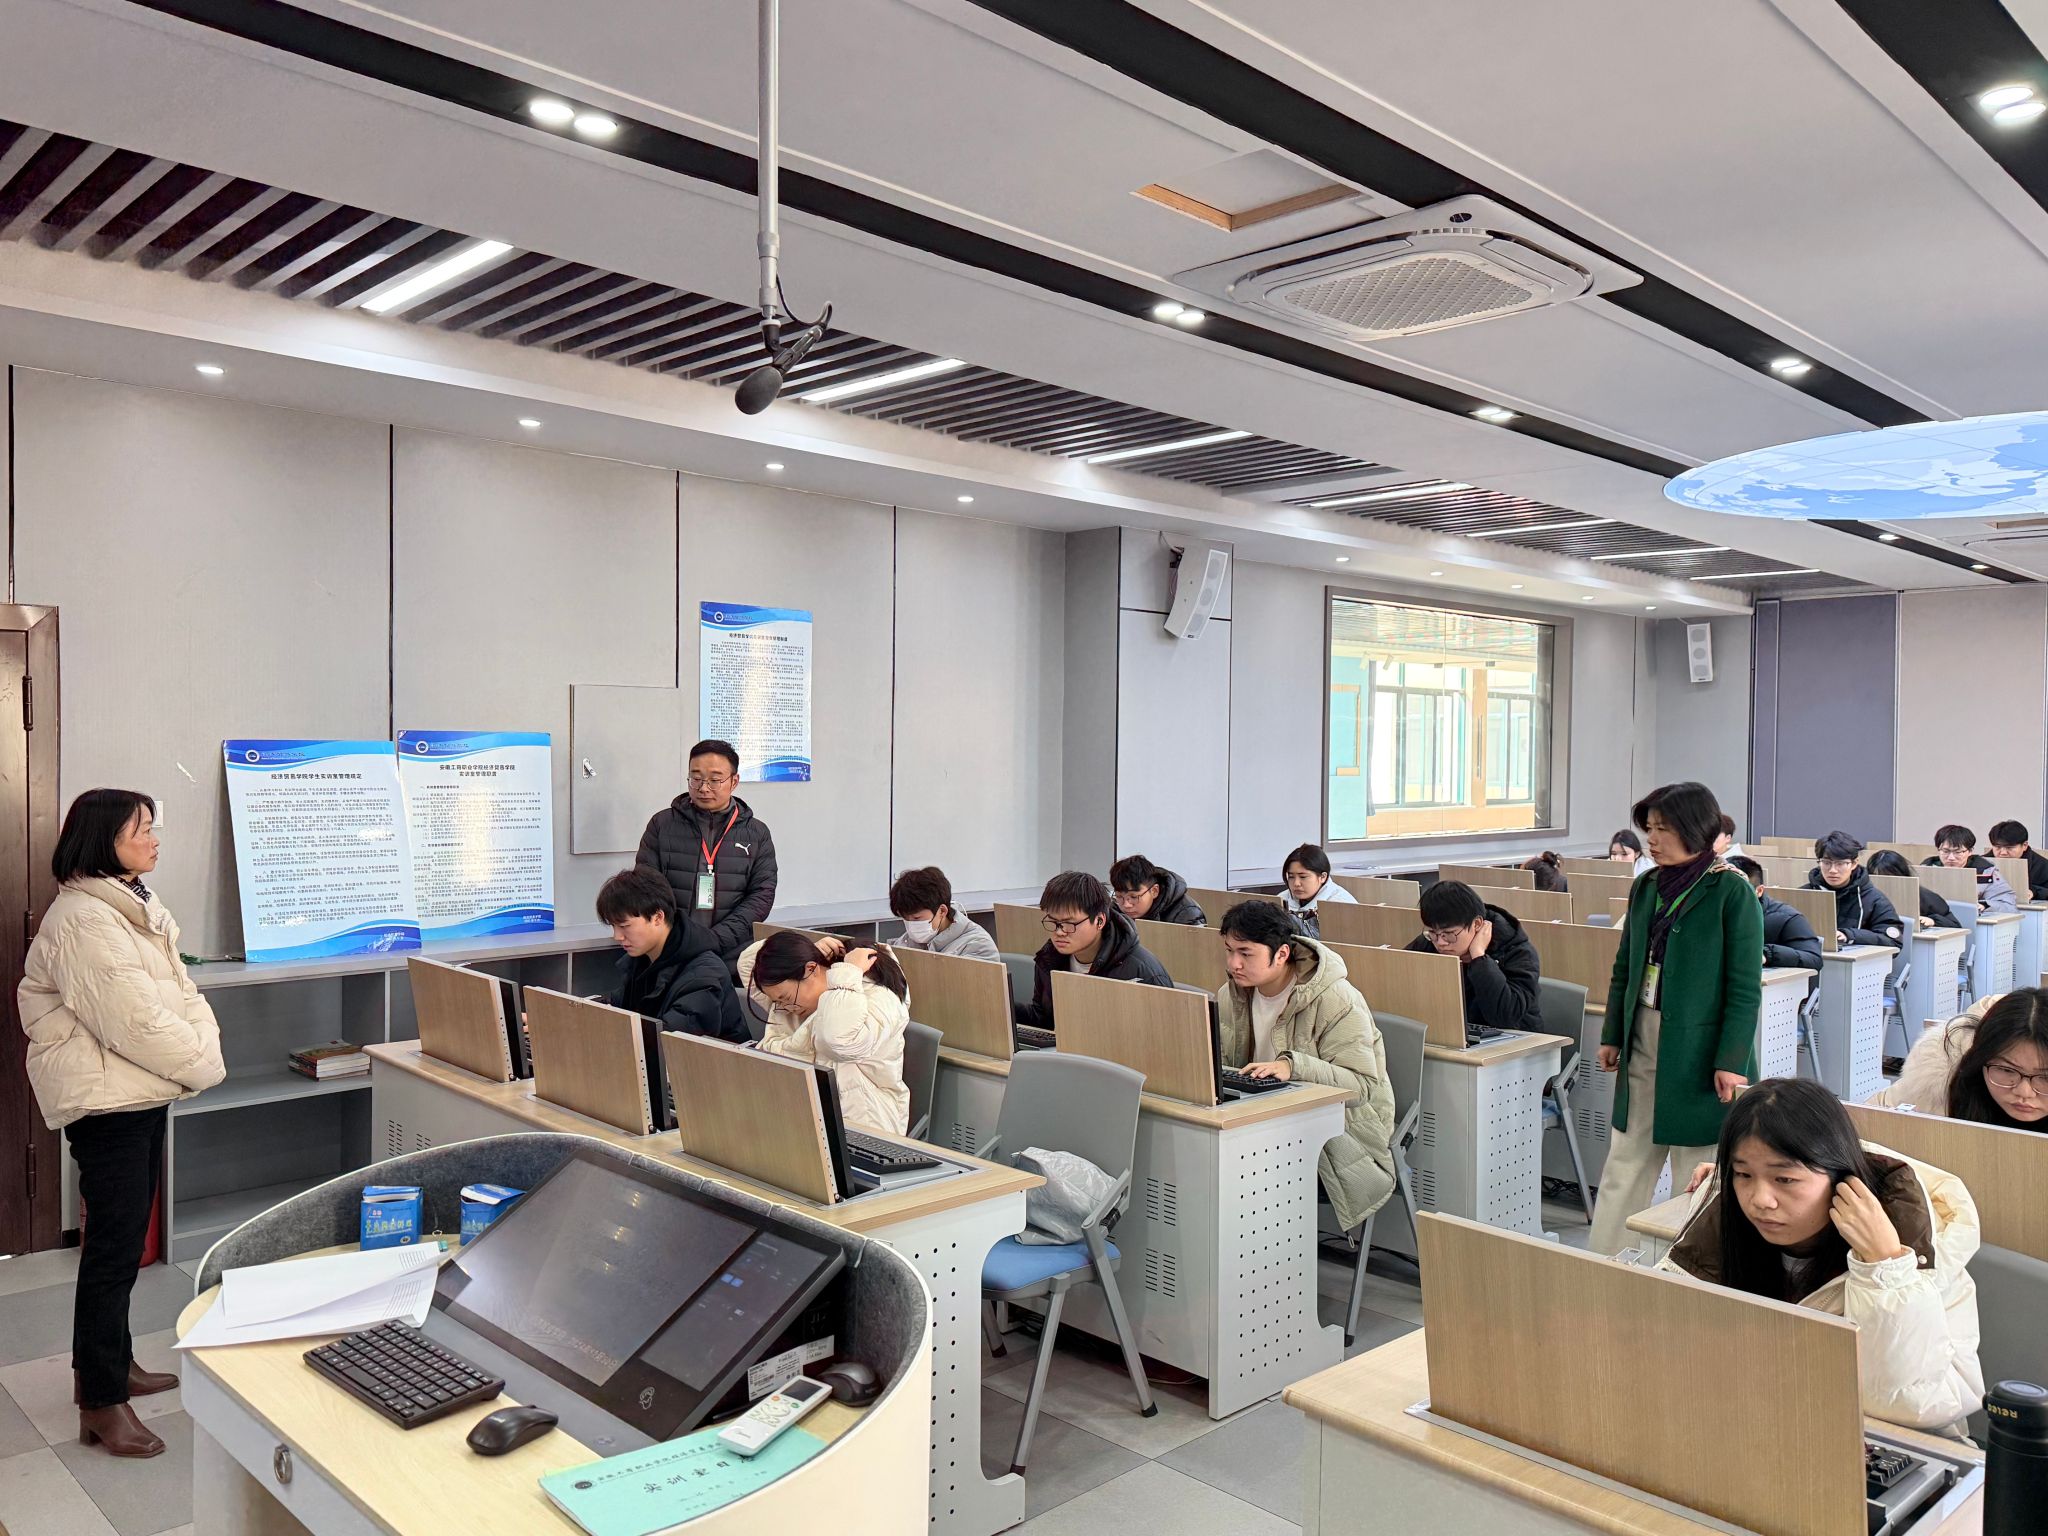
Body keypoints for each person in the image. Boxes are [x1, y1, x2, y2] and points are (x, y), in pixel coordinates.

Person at [19, 790, 225, 1458]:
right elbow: (134, 1021)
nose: (155, 839)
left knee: (125, 1241)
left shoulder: (128, 903)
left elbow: (182, 993)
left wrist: (198, 1048)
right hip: (108, 1102)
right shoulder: (85, 919)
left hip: (136, 1091)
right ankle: (101, 1403)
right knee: (112, 1250)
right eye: (142, 830)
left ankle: (111, 1364)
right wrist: (203, 1063)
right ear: (106, 839)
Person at [1661, 1078, 1982, 1436]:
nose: (1760, 1200)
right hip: (1759, 1429)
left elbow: (1921, 1406)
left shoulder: (1926, 1257)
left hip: (1885, 1445)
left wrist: (1886, 1271)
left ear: (1842, 1178)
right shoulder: (1722, 1225)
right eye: (1744, 1174)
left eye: (1785, 1179)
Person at [1588, 781, 1761, 1256]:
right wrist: (1612, 1033)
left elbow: (1745, 987)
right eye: (1650, 828)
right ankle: (1605, 1268)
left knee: (1697, 1169)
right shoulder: (1646, 886)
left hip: (1703, 1050)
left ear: (1694, 829)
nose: (1652, 839)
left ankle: (1687, 1271)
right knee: (1626, 1162)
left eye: (1662, 828)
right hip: (1643, 1035)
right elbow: (1625, 966)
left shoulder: (1732, 891)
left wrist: (1731, 1060)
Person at [1215, 901, 1397, 1235]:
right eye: (1229, 950)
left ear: (1282, 954)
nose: (1233, 963)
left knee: (1234, 1175)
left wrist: (1293, 1066)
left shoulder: (1336, 999)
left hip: (1340, 1134)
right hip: (1264, 1122)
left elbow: (1361, 1086)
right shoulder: (1232, 996)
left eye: (1245, 953)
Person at [739, 931, 910, 1133]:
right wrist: (809, 949)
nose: (786, 1007)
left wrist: (848, 973)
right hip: (805, 1116)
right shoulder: (790, 1003)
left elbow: (838, 1042)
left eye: (786, 998)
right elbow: (747, 963)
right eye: (778, 1001)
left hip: (864, 1124)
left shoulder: (879, 997)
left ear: (812, 969)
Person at [635, 739, 778, 965]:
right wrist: (677, 938)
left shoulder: (756, 833)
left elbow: (761, 896)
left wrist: (715, 939)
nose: (703, 788)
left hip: (731, 954)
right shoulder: (662, 825)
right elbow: (646, 885)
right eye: (696, 778)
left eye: (714, 780)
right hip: (671, 950)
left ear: (734, 781)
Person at [594, 868, 747, 1043]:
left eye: (624, 926)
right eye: (613, 926)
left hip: (706, 1059)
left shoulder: (704, 975)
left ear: (658, 917)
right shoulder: (643, 960)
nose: (617, 936)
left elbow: (671, 1042)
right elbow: (619, 1007)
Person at [1015, 871, 1173, 1033]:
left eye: (1069, 923)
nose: (1059, 932)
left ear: (1099, 921)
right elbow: (1044, 1021)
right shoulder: (1049, 958)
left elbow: (1165, 1036)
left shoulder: (1144, 973)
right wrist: (1005, 1007)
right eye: (1053, 922)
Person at [1876, 988, 2048, 1131]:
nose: (2024, 1092)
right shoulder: (1939, 1082)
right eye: (2007, 1070)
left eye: (2045, 1078)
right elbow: (1873, 1118)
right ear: (1980, 1060)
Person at [1403, 879, 1541, 1035]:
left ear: (1477, 924)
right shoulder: (1430, 942)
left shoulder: (1518, 953)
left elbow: (1505, 1018)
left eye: (1449, 934)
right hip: (1455, 1035)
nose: (1441, 943)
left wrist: (1479, 958)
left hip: (1517, 1040)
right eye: (1433, 933)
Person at [1804, 832, 1904, 949]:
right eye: (1826, 863)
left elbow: (1893, 941)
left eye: (1840, 863)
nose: (1832, 870)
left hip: (1856, 959)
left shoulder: (1874, 899)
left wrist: (1849, 935)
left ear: (1854, 863)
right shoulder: (1804, 894)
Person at [1727, 855, 1821, 973]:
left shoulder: (1787, 918)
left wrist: (1767, 954)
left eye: (1738, 892)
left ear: (1759, 891)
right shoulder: (1711, 912)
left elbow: (1813, 959)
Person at [887, 866, 1000, 963]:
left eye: (916, 918)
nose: (911, 925)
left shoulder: (978, 945)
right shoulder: (906, 942)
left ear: (942, 911)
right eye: (905, 919)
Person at [1922, 825, 2017, 916]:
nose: (1951, 857)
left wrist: (1984, 905)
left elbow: (2008, 905)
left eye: (1957, 852)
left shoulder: (1985, 871)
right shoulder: (1926, 868)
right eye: (1945, 851)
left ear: (1970, 851)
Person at [1867, 849, 1960, 931]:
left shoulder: (1925, 896)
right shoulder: (1867, 895)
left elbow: (1955, 925)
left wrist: (1933, 920)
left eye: (1888, 876)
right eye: (1876, 876)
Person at [1280, 842, 1356, 939]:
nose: (1296, 883)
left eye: (1303, 877)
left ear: (1323, 877)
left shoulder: (1341, 905)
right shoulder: (1281, 899)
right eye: (1291, 877)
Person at [1107, 854, 1206, 927]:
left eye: (1133, 897)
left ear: (1154, 891)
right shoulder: (1114, 909)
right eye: (1119, 896)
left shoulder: (1187, 914)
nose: (1126, 905)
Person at [1988, 820, 2048, 902]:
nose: (2003, 853)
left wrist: (2035, 892)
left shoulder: (2043, 866)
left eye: (2009, 847)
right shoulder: (1983, 862)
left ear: (2024, 845)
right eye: (1997, 847)